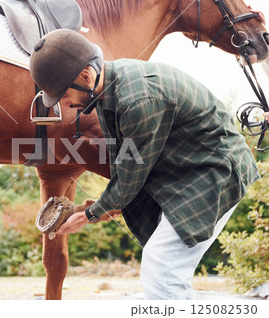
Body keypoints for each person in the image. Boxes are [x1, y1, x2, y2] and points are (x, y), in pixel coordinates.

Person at [29, 29, 260, 300]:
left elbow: (130, 176)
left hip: (213, 173)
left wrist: (90, 215)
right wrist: (102, 205)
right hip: (186, 173)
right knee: (163, 266)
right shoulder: (110, 90)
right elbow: (125, 163)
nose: (64, 105)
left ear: (85, 76)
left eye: (63, 95)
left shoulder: (138, 98)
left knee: (163, 266)